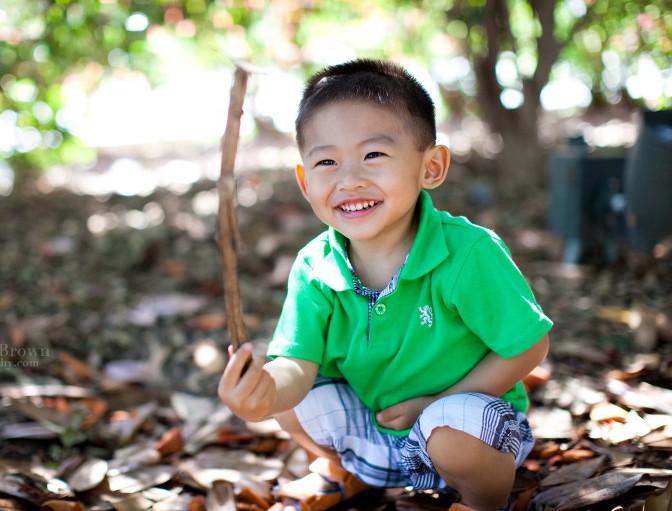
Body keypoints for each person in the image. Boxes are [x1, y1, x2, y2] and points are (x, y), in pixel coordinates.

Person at [218, 59, 552, 511]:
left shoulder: (467, 252)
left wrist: (433, 402)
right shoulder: (316, 267)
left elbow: (528, 347)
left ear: (431, 166)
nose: (349, 179)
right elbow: (296, 366)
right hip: (376, 431)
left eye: (373, 155)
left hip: (468, 426)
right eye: (326, 161)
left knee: (452, 439)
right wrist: (262, 392)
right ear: (304, 181)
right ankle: (348, 473)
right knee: (291, 405)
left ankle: (480, 502)